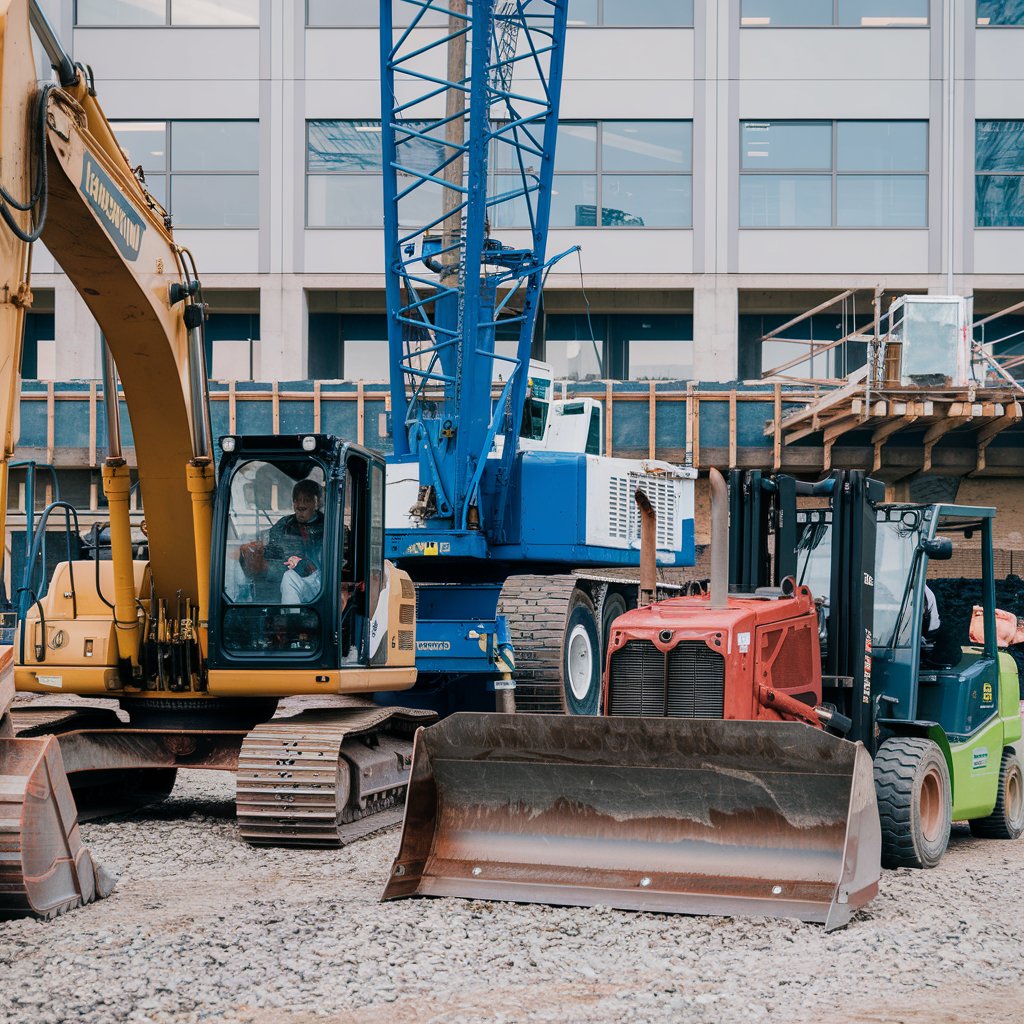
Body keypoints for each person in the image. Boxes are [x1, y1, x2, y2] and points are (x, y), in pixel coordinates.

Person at [240, 479, 325, 605]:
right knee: (288, 577)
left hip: (322, 584)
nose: (301, 505)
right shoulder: (284, 525)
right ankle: (290, 618)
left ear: (316, 503)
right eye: (297, 500)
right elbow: (272, 554)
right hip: (293, 580)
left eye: (306, 500)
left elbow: (335, 564)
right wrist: (256, 553)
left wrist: (303, 565)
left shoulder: (329, 526)